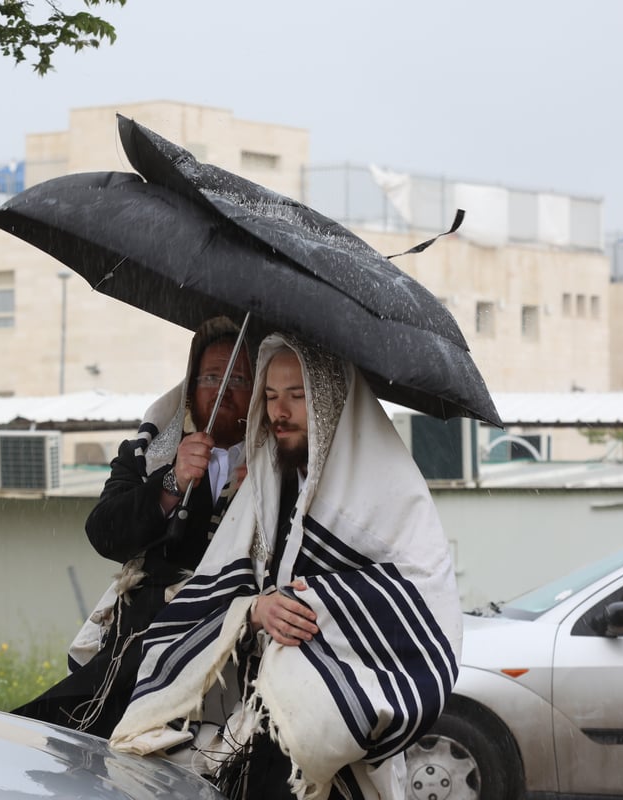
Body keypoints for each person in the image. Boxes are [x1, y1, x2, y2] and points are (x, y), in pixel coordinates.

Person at [109, 333, 463, 800]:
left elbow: (424, 604)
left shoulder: (390, 491)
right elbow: (218, 590)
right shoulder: (265, 485)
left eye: (297, 396)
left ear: (331, 400)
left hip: (336, 745)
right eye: (271, 396)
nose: (279, 412)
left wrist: (308, 603)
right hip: (258, 728)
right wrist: (255, 611)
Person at [13, 316, 254, 738]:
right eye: (210, 376)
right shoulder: (151, 452)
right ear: (190, 386)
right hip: (137, 650)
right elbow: (105, 533)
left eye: (238, 377)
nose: (222, 389)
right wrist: (172, 482)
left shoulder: (280, 466)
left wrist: (263, 495)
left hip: (230, 659)